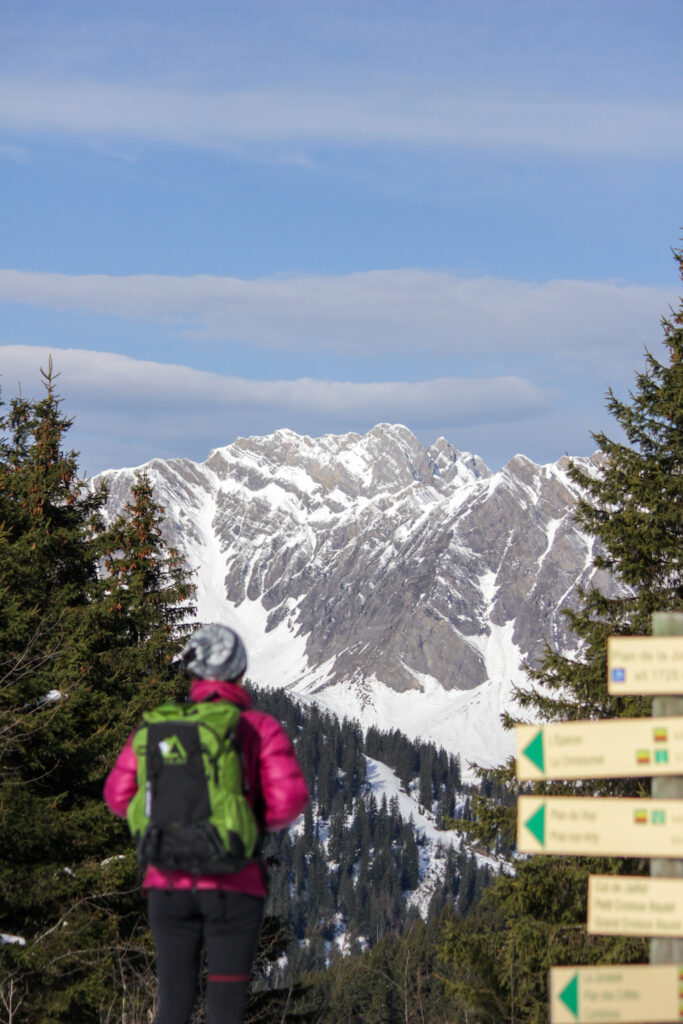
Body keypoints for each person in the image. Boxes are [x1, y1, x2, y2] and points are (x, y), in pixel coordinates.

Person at [104, 623, 309, 1024]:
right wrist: (243, 823)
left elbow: (117, 794)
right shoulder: (258, 728)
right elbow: (290, 800)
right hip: (234, 884)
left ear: (193, 671)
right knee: (226, 1005)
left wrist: (162, 822)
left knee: (175, 997)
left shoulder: (158, 727)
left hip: (168, 883)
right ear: (239, 672)